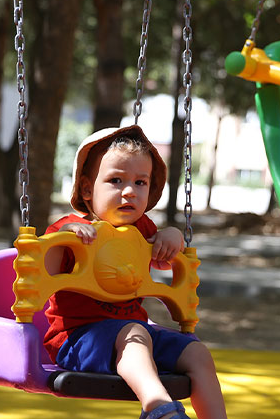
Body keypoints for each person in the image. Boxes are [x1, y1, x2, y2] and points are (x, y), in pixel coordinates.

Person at [43, 125, 227, 419]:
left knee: (197, 352)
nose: (129, 191)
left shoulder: (142, 230)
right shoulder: (72, 230)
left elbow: (165, 263)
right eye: (116, 180)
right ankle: (160, 408)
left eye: (141, 182)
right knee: (135, 331)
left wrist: (170, 237)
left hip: (135, 337)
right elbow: (44, 273)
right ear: (88, 189)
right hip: (76, 341)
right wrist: (64, 237)